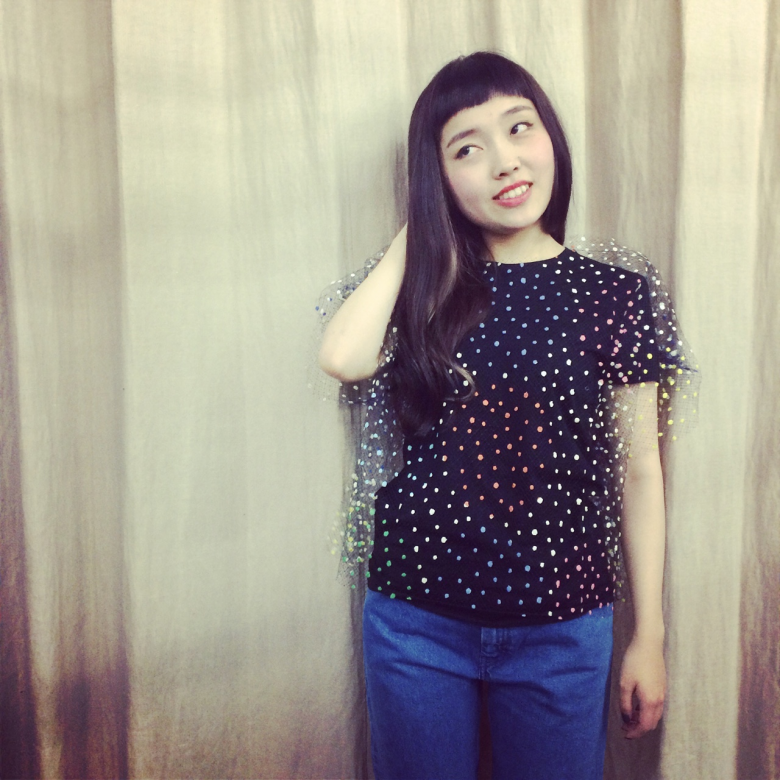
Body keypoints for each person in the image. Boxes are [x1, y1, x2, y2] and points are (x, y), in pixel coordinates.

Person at [317, 52, 697, 780]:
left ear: (550, 135)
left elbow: (641, 474)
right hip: (416, 623)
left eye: (519, 128)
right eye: (467, 149)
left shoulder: (614, 295)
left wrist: (649, 635)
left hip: (563, 628)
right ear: (437, 178)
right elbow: (342, 356)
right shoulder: (424, 290)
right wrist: (420, 230)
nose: (504, 161)